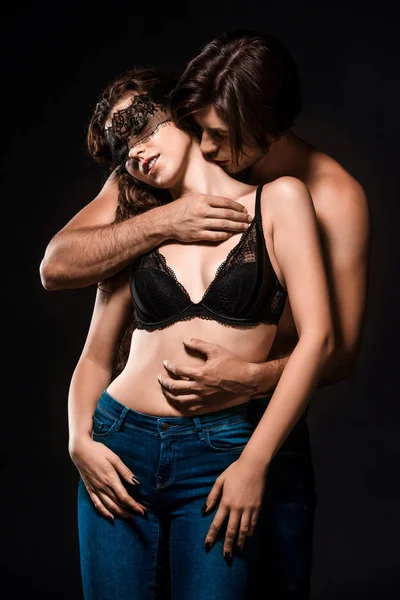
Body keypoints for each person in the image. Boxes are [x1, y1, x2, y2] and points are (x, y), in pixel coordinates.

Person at [40, 30, 371, 598]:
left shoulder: (308, 195)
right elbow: (68, 295)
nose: (135, 151)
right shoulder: (137, 200)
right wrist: (79, 438)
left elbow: (330, 347)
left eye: (143, 126)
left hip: (239, 437)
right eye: (122, 147)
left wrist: (251, 389)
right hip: (122, 439)